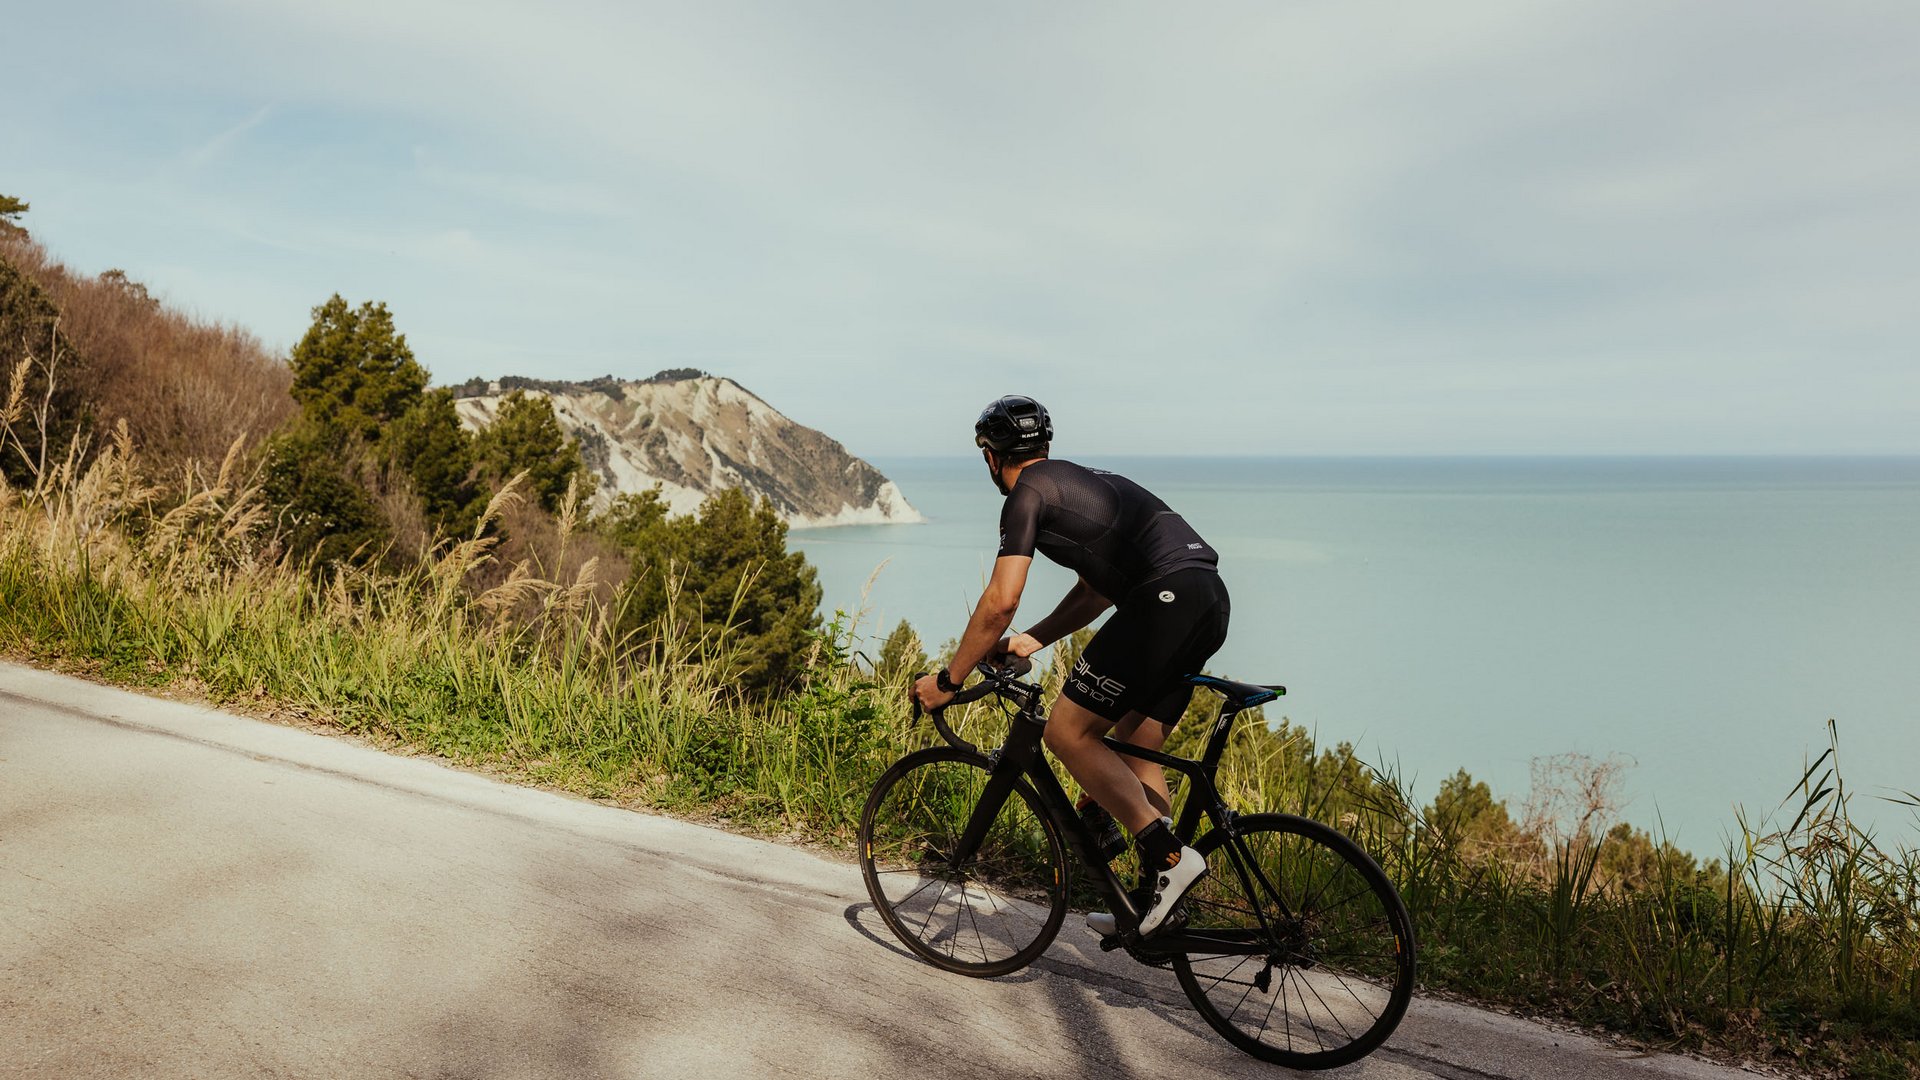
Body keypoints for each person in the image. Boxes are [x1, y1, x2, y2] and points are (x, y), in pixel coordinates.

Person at [912, 396, 1231, 937]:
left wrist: (949, 681)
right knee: (1135, 743)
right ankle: (1155, 903)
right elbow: (1097, 591)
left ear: (991, 457)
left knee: (1067, 733)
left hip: (1164, 601)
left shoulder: (1025, 494)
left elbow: (1000, 600)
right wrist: (1031, 641)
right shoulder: (1081, 481)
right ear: (1045, 445)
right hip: (1207, 598)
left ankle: (1172, 860)